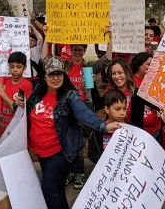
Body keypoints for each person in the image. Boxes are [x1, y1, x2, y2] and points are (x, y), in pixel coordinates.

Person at [26, 57, 121, 209]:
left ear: (64, 76)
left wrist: (103, 126)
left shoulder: (70, 96)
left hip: (60, 152)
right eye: (51, 74)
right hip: (41, 152)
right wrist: (17, 102)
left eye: (59, 74)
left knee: (48, 189)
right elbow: (26, 108)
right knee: (56, 189)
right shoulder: (37, 91)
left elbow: (83, 113)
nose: (56, 78)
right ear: (45, 76)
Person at [41, 25, 113, 190]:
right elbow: (45, 59)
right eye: (75, 49)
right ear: (71, 50)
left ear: (85, 50)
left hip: (83, 109)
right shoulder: (64, 65)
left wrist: (110, 37)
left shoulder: (89, 66)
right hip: (64, 108)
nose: (78, 52)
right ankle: (71, 172)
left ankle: (79, 172)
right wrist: (46, 37)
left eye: (81, 49)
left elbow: (107, 59)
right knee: (65, 141)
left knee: (78, 141)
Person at [0, 52, 33, 136]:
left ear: (25, 68)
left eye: (19, 67)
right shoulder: (5, 82)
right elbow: (0, 105)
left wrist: (2, 93)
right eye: (12, 67)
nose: (15, 70)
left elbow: (17, 110)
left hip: (17, 129)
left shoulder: (26, 85)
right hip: (4, 126)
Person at [88, 89, 127, 164]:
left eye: (124, 108)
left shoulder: (131, 129)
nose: (122, 113)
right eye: (117, 109)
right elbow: (91, 154)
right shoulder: (99, 131)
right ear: (107, 109)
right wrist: (106, 161)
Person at [130, 52, 163, 138]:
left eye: (153, 64)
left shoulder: (155, 81)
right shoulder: (130, 82)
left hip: (156, 129)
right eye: (148, 64)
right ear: (138, 64)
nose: (151, 67)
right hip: (138, 131)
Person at [29, 23, 44, 89]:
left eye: (32, 40)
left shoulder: (37, 48)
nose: (30, 42)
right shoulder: (23, 49)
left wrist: (33, 28)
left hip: (35, 77)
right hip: (25, 77)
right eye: (29, 40)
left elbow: (40, 38)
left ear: (35, 42)